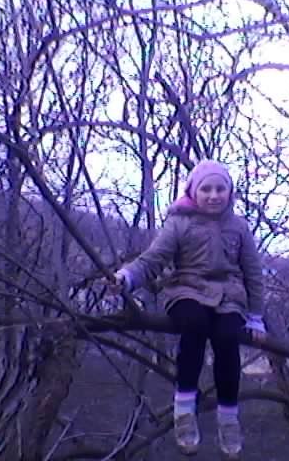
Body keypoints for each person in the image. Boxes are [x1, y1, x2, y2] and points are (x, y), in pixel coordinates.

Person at [112, 160, 266, 459]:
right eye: (206, 189)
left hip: (228, 297)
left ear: (229, 192)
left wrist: (256, 318)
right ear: (194, 191)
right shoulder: (179, 222)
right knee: (195, 325)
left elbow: (253, 273)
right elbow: (153, 260)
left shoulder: (239, 227)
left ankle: (228, 417)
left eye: (220, 189)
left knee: (227, 338)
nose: (213, 195)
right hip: (187, 290)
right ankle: (184, 409)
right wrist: (126, 277)